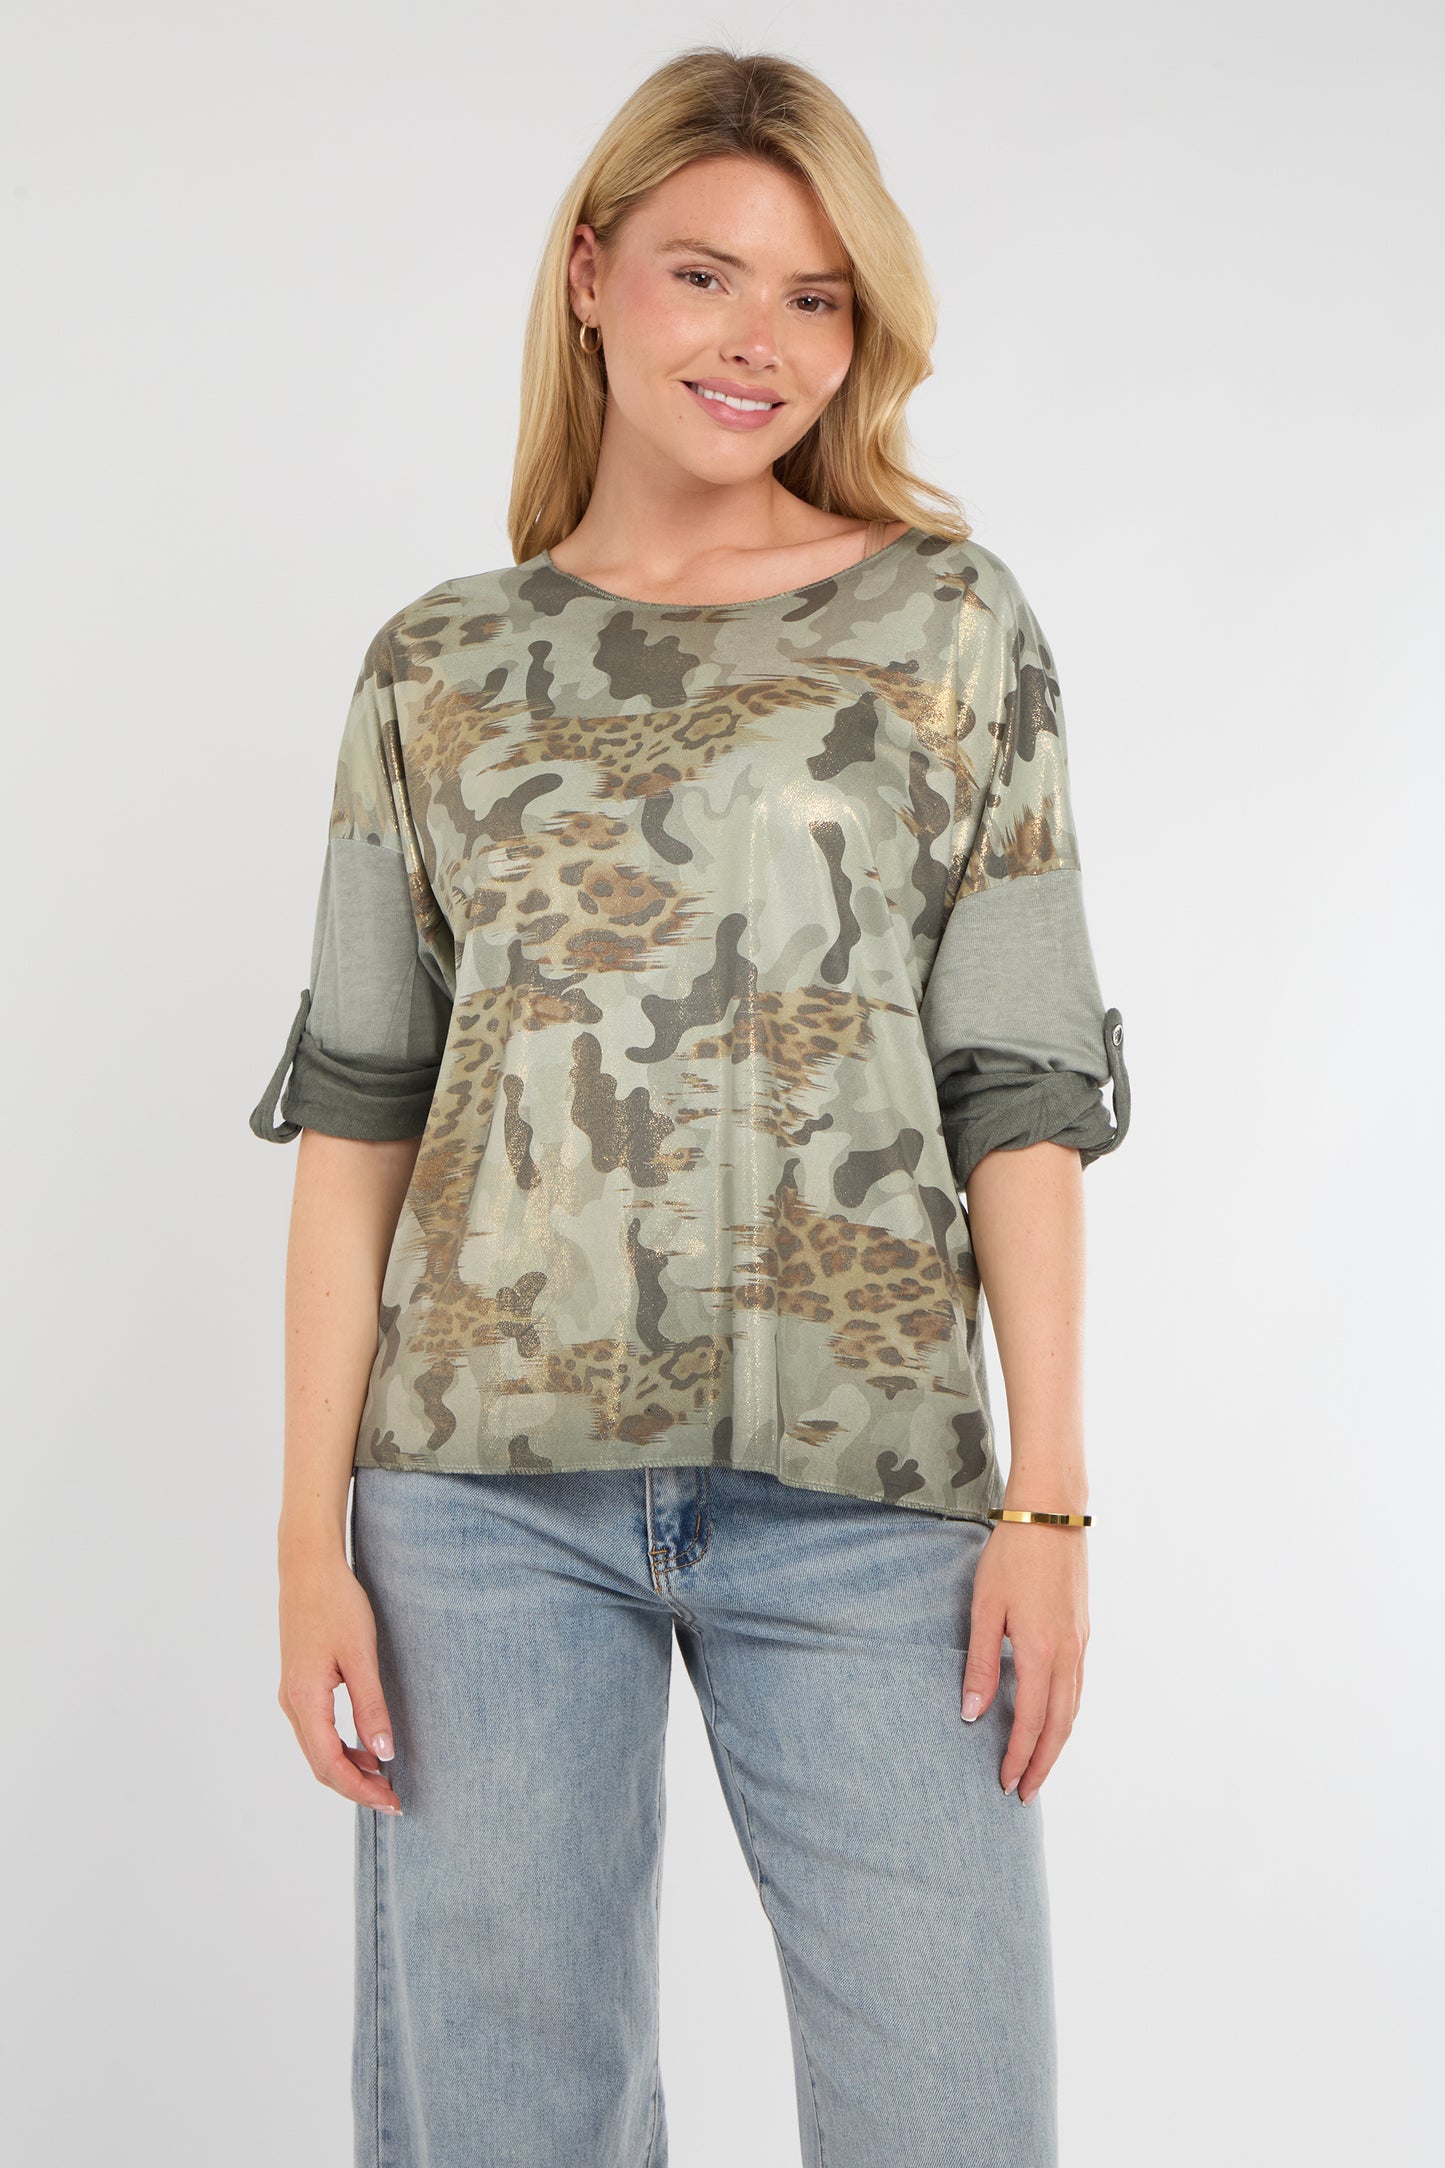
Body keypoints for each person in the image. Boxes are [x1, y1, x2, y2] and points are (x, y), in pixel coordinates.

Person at [249, 44, 1131, 2168]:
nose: (761, 342)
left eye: (818, 297)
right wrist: (306, 1542)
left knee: (948, 2111)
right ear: (589, 274)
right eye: (706, 274)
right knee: (508, 2122)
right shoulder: (437, 666)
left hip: (869, 1485)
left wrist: (1050, 1498)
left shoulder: (946, 622)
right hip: (474, 1501)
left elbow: (1016, 1084)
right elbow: (364, 1114)